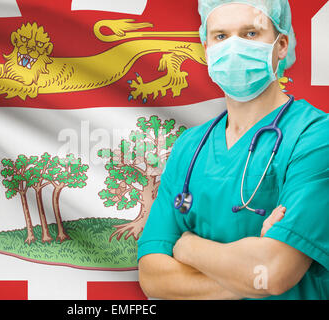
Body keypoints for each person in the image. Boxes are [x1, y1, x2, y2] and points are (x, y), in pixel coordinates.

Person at [137, 0, 329, 300]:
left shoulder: (315, 135)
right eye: (221, 36)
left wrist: (186, 246)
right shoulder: (190, 146)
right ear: (206, 47)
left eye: (250, 33)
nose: (234, 48)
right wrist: (248, 271)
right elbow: (152, 277)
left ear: (281, 46)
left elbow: (273, 273)